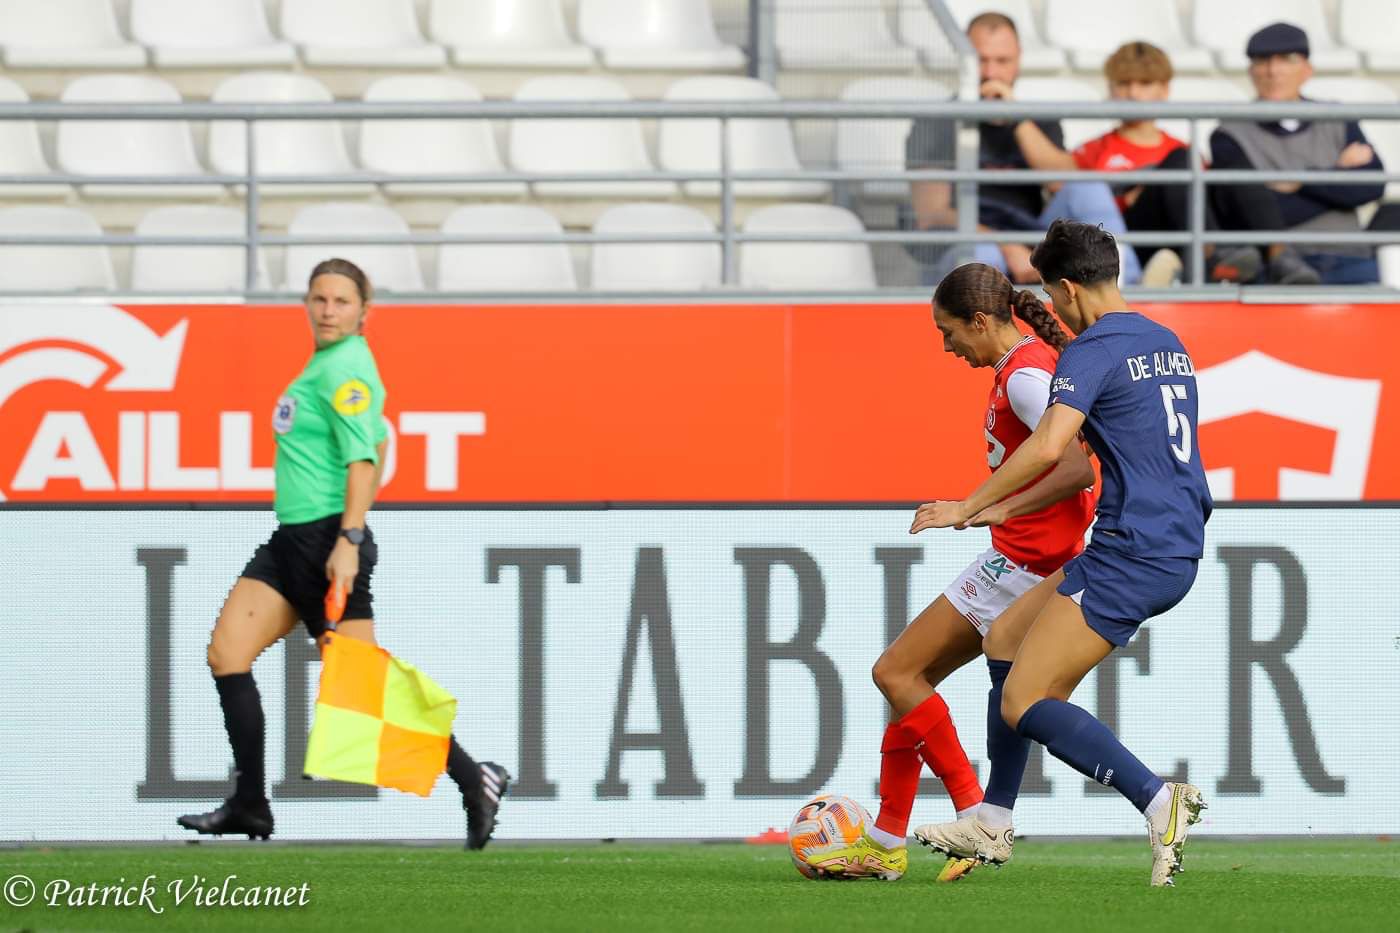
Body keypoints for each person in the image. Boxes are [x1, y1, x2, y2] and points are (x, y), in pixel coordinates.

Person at [911, 220, 1213, 888]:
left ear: (1068, 288)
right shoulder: (1165, 340)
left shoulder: (1091, 351)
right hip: (1163, 539)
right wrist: (1005, 506)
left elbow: (1052, 449)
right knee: (1006, 634)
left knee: (1024, 700)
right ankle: (992, 816)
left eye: (1052, 294)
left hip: (1135, 550)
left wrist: (964, 505)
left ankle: (1160, 800)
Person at [177, 258, 510, 850]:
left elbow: (363, 460)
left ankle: (472, 776)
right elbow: (377, 441)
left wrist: (349, 540)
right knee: (227, 652)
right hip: (291, 541)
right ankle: (250, 804)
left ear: (364, 312)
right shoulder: (326, 365)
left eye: (341, 302)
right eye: (320, 299)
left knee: (363, 685)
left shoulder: (348, 369)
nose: (328, 310)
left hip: (327, 540)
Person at [828, 263, 1096, 883]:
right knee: (906, 682)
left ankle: (972, 812)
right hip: (1021, 555)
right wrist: (999, 510)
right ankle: (886, 837)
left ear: (980, 322)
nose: (947, 347)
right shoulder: (1027, 363)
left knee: (895, 671)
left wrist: (980, 506)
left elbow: (1078, 469)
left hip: (1022, 564)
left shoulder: (1026, 378)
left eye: (949, 332)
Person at [905, 12, 1141, 285]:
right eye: (981, 60)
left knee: (1088, 187)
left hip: (1034, 237)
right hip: (967, 243)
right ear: (964, 62)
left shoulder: (1036, 121)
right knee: (983, 258)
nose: (991, 72)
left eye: (1002, 61)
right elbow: (933, 213)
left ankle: (1124, 283)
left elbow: (1061, 182)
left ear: (1018, 60)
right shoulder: (935, 122)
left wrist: (1017, 120)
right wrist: (1005, 244)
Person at [1072, 41, 1285, 285]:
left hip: (1180, 243)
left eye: (1144, 83)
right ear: (1110, 89)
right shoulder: (1093, 150)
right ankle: (1213, 257)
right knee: (1181, 163)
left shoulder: (1182, 150)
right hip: (1125, 247)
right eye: (1123, 83)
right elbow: (1076, 202)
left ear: (1164, 89)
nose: (1133, 93)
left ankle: (1244, 259)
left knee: (1188, 163)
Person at [1210, 22, 1384, 285]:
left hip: (1349, 259)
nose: (1273, 70)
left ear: (1307, 69)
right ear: (1251, 70)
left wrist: (1298, 182)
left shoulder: (1337, 117)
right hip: (1276, 267)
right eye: (1262, 60)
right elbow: (1248, 213)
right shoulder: (1228, 134)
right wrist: (1335, 177)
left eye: (1286, 59)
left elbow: (1371, 186)